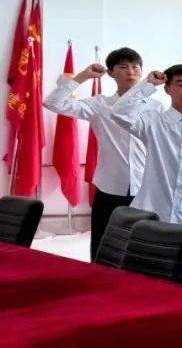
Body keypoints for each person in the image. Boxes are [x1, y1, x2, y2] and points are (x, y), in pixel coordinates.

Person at [43, 47, 161, 260]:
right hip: (110, 185)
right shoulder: (100, 105)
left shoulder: (155, 107)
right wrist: (82, 76)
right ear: (111, 73)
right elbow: (53, 103)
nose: (131, 72)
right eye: (123, 67)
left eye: (135, 68)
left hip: (146, 187)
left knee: (142, 248)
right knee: (104, 246)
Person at [110, 65, 182, 233]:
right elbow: (119, 113)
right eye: (180, 84)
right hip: (152, 211)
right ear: (167, 89)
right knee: (148, 249)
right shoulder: (153, 122)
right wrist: (148, 84)